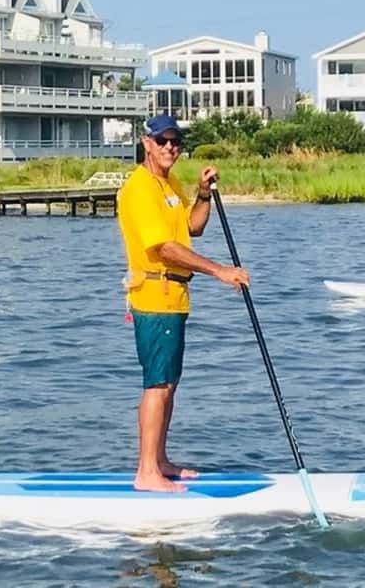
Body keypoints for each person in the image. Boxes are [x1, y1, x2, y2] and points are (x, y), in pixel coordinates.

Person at [117, 114, 250, 493]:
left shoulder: (169, 184)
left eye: (176, 142)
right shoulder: (140, 187)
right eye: (163, 141)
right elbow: (164, 247)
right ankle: (146, 472)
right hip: (153, 297)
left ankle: (160, 460)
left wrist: (203, 193)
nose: (170, 148)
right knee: (157, 385)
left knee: (170, 383)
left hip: (176, 297)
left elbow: (192, 228)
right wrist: (219, 271)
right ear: (146, 143)